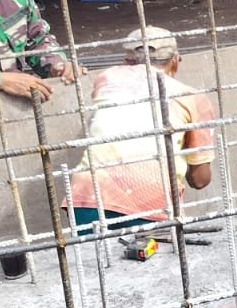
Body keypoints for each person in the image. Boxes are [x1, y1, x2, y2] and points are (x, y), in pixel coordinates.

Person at [64, 26, 216, 235]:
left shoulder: (106, 79)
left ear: (127, 61)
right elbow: (200, 180)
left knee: (94, 265)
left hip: (88, 197)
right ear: (175, 60)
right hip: (151, 201)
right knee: (156, 265)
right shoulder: (193, 98)